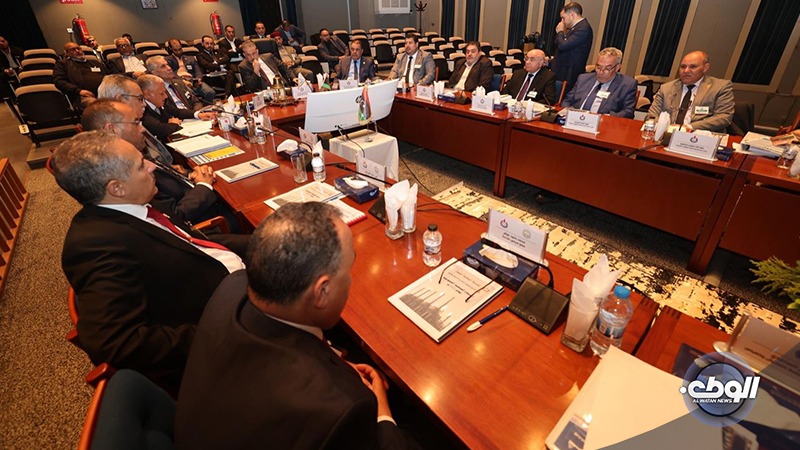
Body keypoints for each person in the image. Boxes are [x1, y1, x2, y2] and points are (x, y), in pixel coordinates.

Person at [175, 202, 420, 450]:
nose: (350, 278)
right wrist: (381, 412)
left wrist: (336, 363)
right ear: (322, 292)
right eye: (349, 269)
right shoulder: (342, 409)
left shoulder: (232, 288)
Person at [54, 131, 247, 392]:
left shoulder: (136, 201)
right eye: (140, 165)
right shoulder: (96, 246)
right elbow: (117, 344)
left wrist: (268, 240)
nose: (151, 165)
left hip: (230, 281)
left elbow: (195, 242)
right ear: (116, 188)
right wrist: (223, 332)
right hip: (224, 329)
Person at [81, 99, 235, 229]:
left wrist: (187, 175)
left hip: (200, 193)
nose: (143, 129)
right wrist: (203, 185)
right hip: (209, 221)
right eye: (136, 123)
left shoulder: (131, 153)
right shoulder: (125, 173)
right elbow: (174, 217)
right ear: (111, 129)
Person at [648, 50, 734, 132]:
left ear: (705, 68)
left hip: (701, 136)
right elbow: (652, 116)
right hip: (667, 134)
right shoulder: (666, 88)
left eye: (693, 67)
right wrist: (662, 127)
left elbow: (724, 117)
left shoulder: (720, 87)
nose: (686, 71)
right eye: (683, 67)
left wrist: (689, 127)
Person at [561, 47, 637, 118]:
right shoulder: (583, 79)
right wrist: (571, 113)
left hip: (604, 124)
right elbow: (567, 101)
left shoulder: (627, 85)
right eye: (598, 67)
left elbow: (628, 112)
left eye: (607, 68)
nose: (601, 72)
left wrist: (605, 118)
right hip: (576, 120)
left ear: (617, 67)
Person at [138, 74, 200, 141]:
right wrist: (174, 123)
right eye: (161, 93)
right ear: (147, 94)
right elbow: (161, 129)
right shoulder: (142, 110)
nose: (166, 96)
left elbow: (177, 112)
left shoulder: (159, 102)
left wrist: (197, 114)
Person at [53, 42, 108, 109]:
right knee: (97, 105)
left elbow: (108, 77)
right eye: (73, 49)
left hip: (104, 93)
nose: (77, 51)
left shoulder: (96, 63)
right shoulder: (63, 64)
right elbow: (59, 81)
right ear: (66, 53)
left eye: (78, 48)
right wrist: (79, 91)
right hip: (81, 96)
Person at [553, 2, 593, 90]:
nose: (562, 22)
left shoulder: (583, 29)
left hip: (569, 75)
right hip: (563, 73)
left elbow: (563, 46)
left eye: (563, 18)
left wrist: (560, 32)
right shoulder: (575, 28)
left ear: (572, 15)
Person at [165, 38, 216, 104]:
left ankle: (206, 107)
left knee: (210, 92)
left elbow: (198, 71)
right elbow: (171, 74)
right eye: (175, 50)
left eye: (180, 49)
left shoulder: (190, 58)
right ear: (170, 49)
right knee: (190, 95)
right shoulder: (167, 60)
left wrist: (198, 79)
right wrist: (183, 81)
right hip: (180, 83)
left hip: (193, 80)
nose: (178, 52)